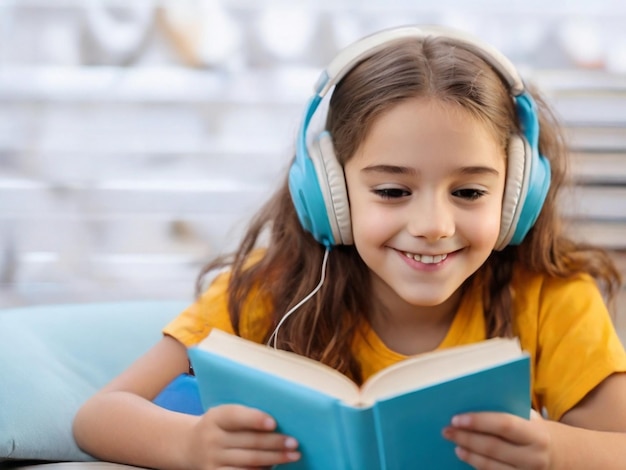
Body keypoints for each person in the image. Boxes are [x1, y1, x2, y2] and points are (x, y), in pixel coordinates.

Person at [73, 24, 626, 469]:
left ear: (516, 196)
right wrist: (190, 444)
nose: (433, 224)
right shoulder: (271, 288)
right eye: (391, 190)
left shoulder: (553, 299)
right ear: (328, 193)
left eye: (469, 191)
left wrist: (555, 450)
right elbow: (100, 416)